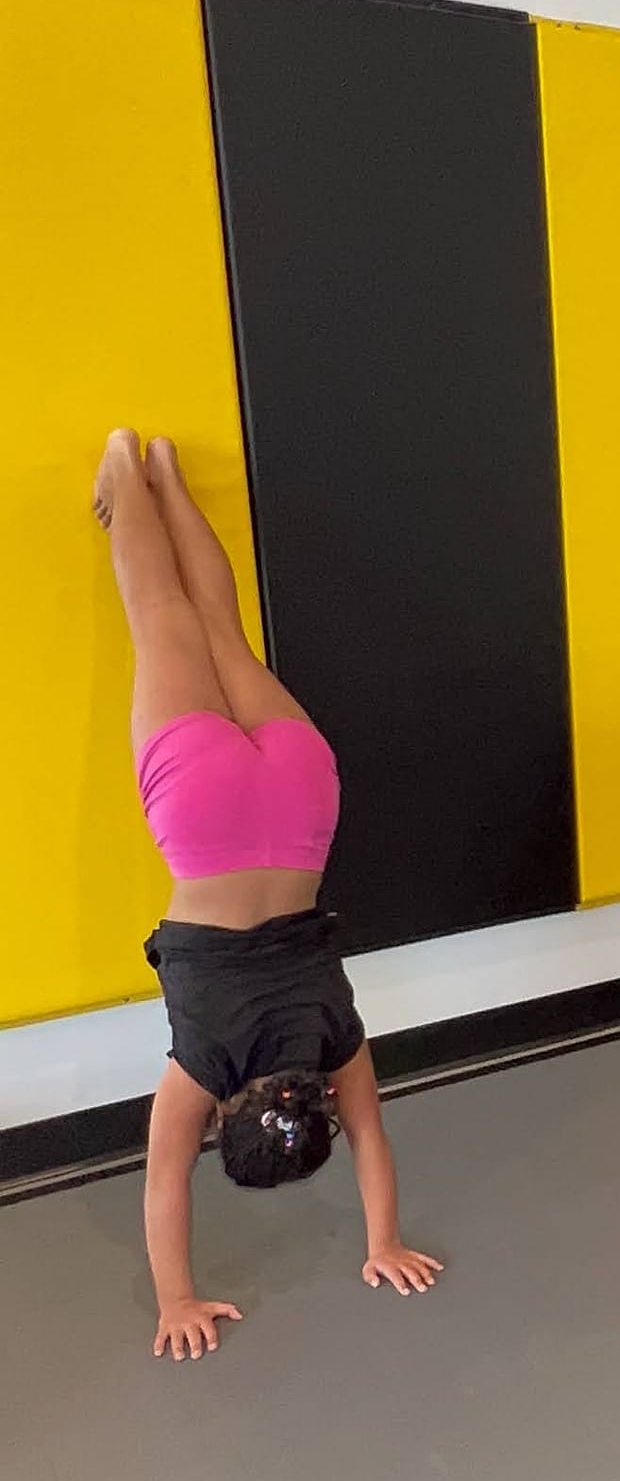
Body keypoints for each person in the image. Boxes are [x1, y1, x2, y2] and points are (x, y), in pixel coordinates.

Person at [95, 431, 441, 1360]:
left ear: (309, 1101)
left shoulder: (335, 1037)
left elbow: (373, 1139)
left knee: (219, 623)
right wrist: (178, 1299)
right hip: (203, 813)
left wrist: (384, 1240)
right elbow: (163, 1180)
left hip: (300, 798)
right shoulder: (203, 1062)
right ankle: (124, 469)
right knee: (158, 611)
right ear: (224, 1112)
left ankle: (165, 470)